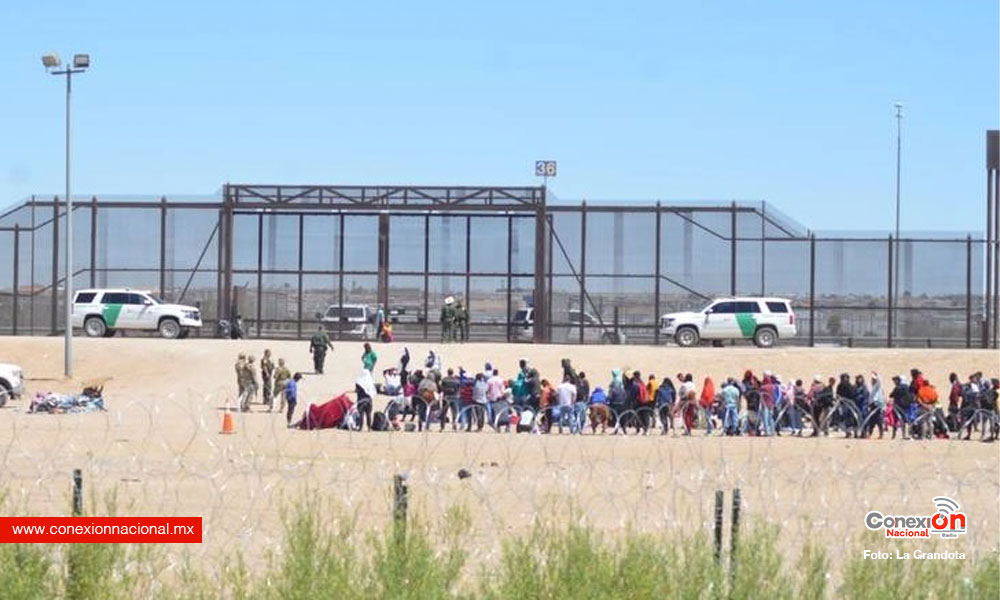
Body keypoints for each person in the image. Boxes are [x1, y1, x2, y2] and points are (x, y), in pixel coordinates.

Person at [866, 373, 886, 439]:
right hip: (872, 405)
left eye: (874, 380)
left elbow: (879, 382)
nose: (872, 381)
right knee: (871, 421)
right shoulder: (873, 387)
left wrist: (876, 375)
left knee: (879, 420)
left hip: (878, 405)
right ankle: (869, 434)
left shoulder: (878, 387)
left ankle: (881, 434)